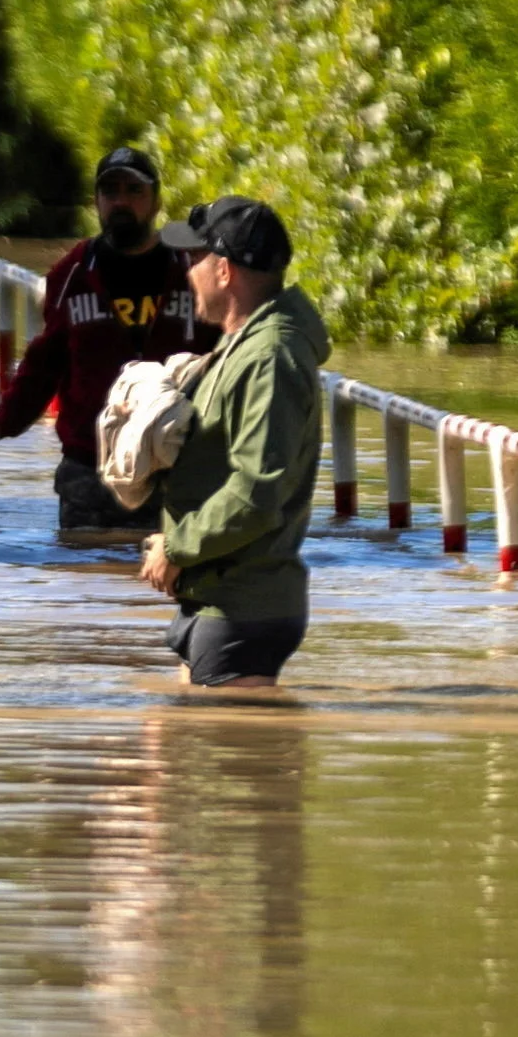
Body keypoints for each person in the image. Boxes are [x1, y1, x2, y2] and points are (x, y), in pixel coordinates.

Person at [136, 197, 331, 690]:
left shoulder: (271, 357)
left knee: (231, 763)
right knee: (179, 751)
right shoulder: (244, 345)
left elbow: (255, 493)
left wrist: (177, 548)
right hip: (218, 599)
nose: (187, 273)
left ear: (223, 270)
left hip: (244, 609)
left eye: (193, 260)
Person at [0, 144, 210, 533]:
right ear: (96, 201)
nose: (121, 202)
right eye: (111, 192)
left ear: (156, 201)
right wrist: (3, 422)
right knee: (83, 580)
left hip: (173, 464)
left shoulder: (190, 270)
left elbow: (224, 353)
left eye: (134, 191)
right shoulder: (73, 273)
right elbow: (45, 361)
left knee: (166, 583)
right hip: (88, 469)